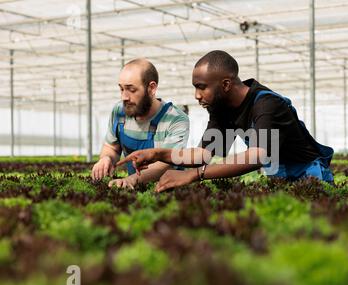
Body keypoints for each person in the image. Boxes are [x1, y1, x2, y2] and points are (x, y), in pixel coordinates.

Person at [116, 50, 333, 192]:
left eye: (201, 87)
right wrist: (159, 153)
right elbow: (205, 154)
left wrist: (195, 175)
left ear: (226, 85)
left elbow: (259, 155)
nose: (196, 95)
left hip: (311, 176)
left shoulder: (266, 105)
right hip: (280, 177)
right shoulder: (222, 109)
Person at [91, 58, 189, 189]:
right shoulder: (119, 112)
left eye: (131, 90)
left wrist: (132, 179)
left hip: (169, 191)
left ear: (151, 88)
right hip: (134, 189)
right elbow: (111, 147)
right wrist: (106, 159)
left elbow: (167, 162)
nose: (124, 97)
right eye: (121, 89)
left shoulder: (175, 119)